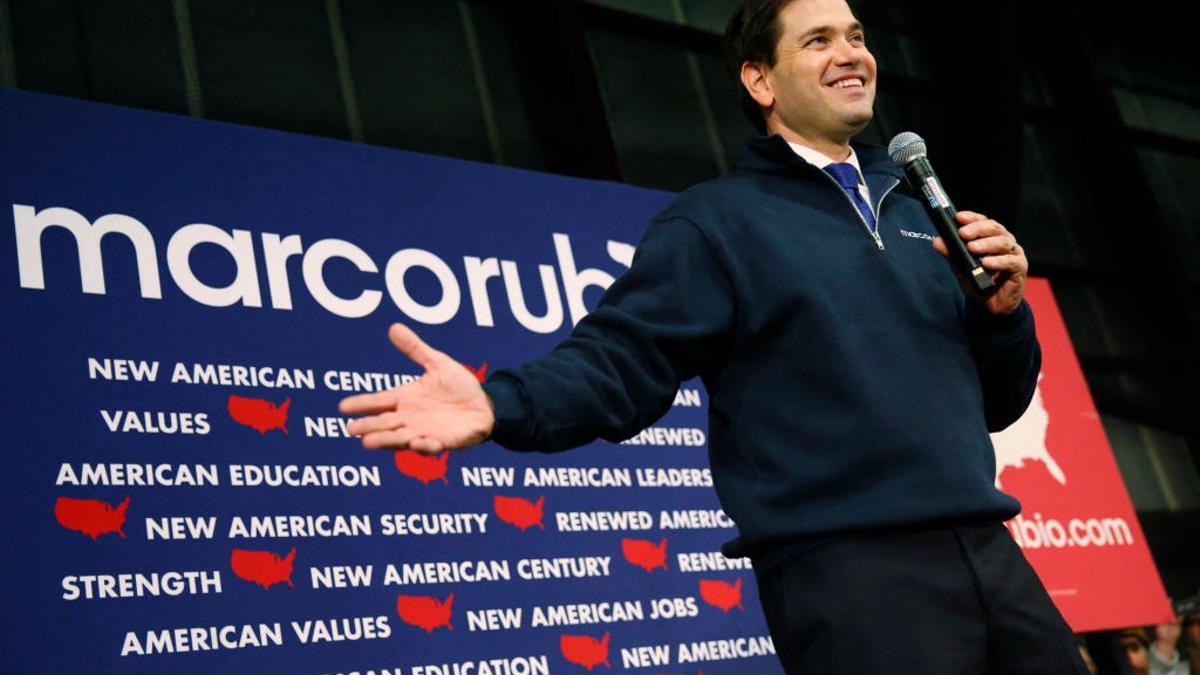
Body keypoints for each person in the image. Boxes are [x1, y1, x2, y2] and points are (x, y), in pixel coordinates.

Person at [340, 0, 1087, 671]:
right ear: (760, 82)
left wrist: (1003, 316)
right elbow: (621, 359)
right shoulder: (716, 221)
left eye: (858, 36)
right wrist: (499, 403)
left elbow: (1000, 401)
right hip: (852, 575)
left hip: (993, 552)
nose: (852, 53)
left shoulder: (919, 209)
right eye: (819, 40)